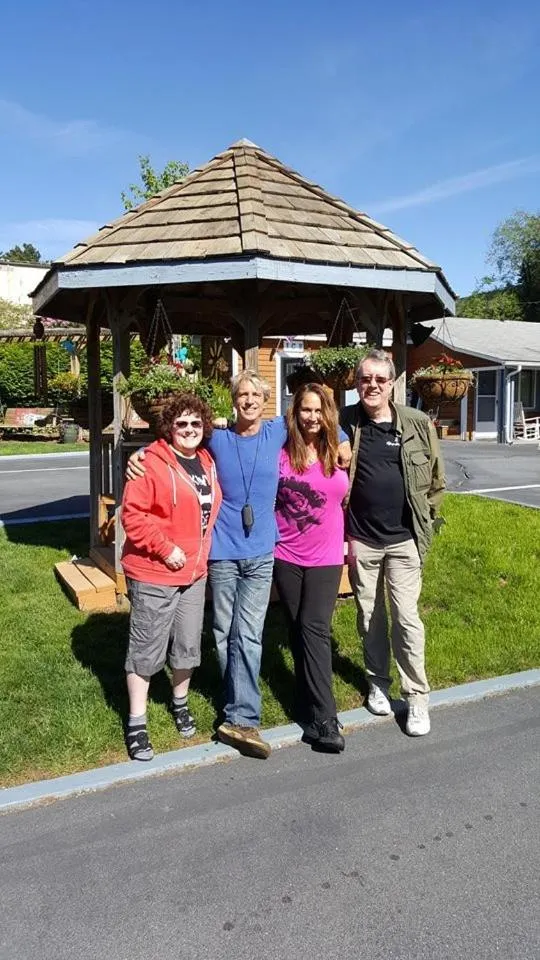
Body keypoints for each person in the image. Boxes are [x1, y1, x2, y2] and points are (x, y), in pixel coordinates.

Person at [126, 370, 351, 760]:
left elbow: (316, 418)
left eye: (255, 394)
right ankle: (233, 702)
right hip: (223, 553)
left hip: (263, 553)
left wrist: (344, 439)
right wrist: (141, 452)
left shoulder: (278, 432)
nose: (248, 400)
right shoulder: (217, 438)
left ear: (266, 399)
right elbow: (179, 441)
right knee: (222, 633)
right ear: (233, 400)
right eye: (242, 394)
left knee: (248, 633)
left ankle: (241, 715)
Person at [340, 349, 445, 737]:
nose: (372, 385)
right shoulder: (346, 421)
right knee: (369, 616)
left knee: (406, 619)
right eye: (365, 379)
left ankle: (416, 697)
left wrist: (426, 525)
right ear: (356, 383)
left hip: (404, 541)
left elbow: (436, 480)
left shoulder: (417, 424)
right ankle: (377, 683)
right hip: (363, 540)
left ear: (392, 384)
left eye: (380, 380)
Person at [121, 393, 222, 761]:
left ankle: (179, 703)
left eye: (196, 423)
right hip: (155, 572)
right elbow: (132, 516)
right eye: (182, 423)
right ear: (169, 427)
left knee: (188, 645)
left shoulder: (207, 461)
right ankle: (137, 720)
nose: (190, 429)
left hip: (194, 573)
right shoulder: (149, 462)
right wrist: (165, 548)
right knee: (147, 648)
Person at [274, 383, 348, 753]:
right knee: (296, 628)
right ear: (295, 412)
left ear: (328, 413)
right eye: (306, 410)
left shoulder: (339, 450)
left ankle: (326, 718)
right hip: (286, 554)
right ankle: (303, 699)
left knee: (314, 628)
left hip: (327, 557)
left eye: (319, 410)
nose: (313, 417)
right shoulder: (280, 451)